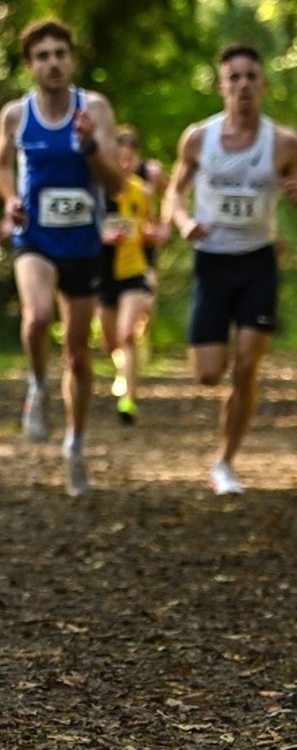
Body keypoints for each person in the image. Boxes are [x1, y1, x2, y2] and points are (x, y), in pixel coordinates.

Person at [0, 18, 123, 497]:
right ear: (30, 66)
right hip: (36, 238)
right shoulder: (16, 114)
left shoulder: (96, 109)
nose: (52, 63)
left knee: (78, 352)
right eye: (42, 56)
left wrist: (89, 145)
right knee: (37, 317)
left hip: (83, 244)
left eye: (59, 54)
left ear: (71, 60)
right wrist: (8, 198)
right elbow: (0, 166)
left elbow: (117, 185)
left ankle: (75, 444)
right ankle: (36, 386)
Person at [162, 43, 297, 495]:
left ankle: (225, 462)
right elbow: (173, 194)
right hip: (212, 262)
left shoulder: (283, 143)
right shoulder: (199, 138)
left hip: (258, 261)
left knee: (245, 368)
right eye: (233, 78)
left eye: (250, 77)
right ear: (221, 87)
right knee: (208, 374)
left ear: (263, 85)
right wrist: (183, 221)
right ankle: (223, 455)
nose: (242, 85)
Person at [97, 125, 169, 424]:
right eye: (119, 159)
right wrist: (102, 235)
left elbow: (151, 227)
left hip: (133, 270)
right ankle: (122, 369)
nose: (124, 165)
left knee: (127, 334)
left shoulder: (142, 191)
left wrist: (154, 234)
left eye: (130, 159)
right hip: (102, 273)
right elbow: (86, 228)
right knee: (110, 343)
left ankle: (128, 399)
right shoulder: (98, 191)